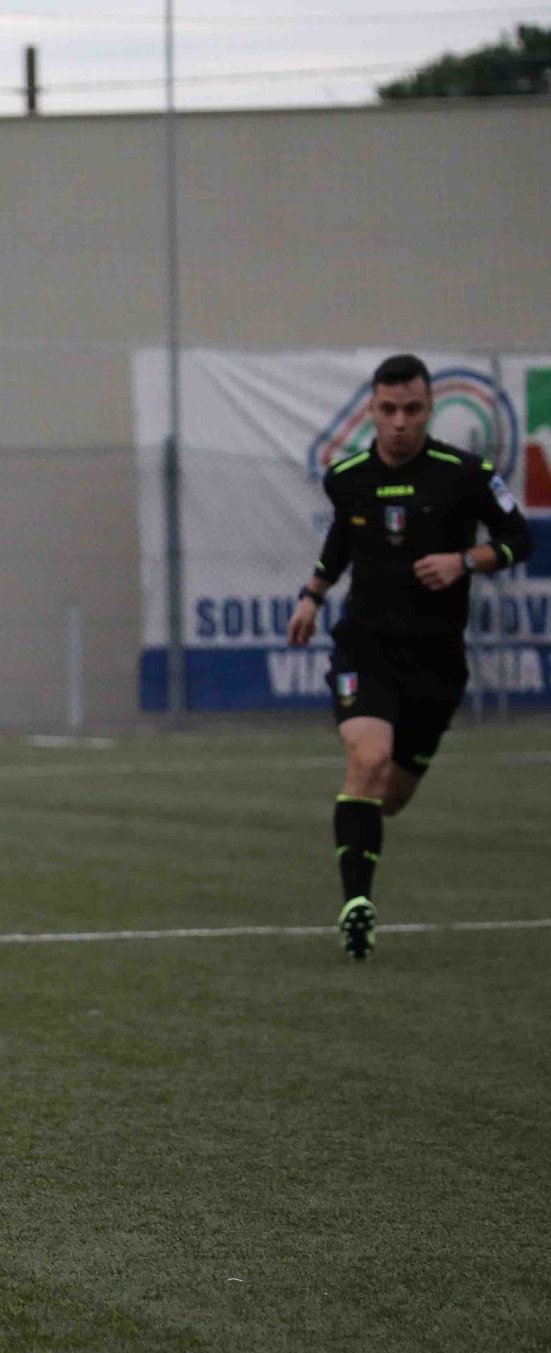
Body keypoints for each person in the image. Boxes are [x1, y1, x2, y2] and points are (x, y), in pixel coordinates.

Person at [281, 352, 531, 959]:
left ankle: (361, 842)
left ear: (429, 409)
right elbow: (343, 536)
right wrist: (312, 594)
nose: (399, 422)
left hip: (436, 663)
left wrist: (464, 561)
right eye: (389, 409)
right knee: (367, 759)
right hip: (364, 649)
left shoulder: (464, 474)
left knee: (389, 796)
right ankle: (356, 907)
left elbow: (518, 539)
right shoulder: (347, 477)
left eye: (412, 409)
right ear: (372, 409)